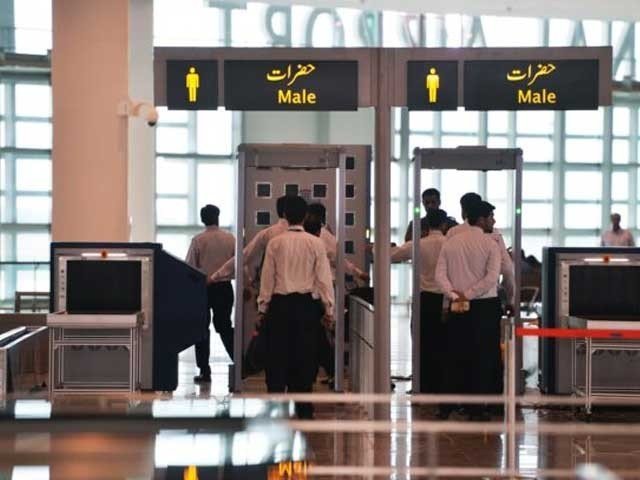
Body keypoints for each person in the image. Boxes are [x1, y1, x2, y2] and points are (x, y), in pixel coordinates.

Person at [258, 196, 334, 419]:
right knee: (304, 358)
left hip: (279, 306)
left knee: (277, 357)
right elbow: (323, 279)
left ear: (285, 215)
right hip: (306, 308)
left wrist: (263, 308)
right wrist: (328, 310)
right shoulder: (315, 243)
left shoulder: (275, 243)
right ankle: (303, 409)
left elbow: (267, 279)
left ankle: (275, 408)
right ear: (305, 216)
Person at [435, 201, 502, 421]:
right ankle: (476, 409)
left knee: (454, 355)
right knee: (482, 358)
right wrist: (470, 294)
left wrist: (455, 295)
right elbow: (492, 278)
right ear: (481, 219)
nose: (493, 221)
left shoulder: (451, 243)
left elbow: (439, 276)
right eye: (491, 217)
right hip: (484, 306)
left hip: (458, 305)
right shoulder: (491, 243)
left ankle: (446, 407)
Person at [391, 208, 448, 393]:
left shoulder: (418, 244)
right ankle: (440, 385)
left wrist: (377, 247)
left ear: (427, 224)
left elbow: (392, 255)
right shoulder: (450, 244)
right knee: (442, 343)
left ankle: (422, 384)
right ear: (444, 224)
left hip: (424, 299)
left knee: (421, 343)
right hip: (446, 299)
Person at [185, 204, 235, 383]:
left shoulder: (198, 240)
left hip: (203, 289)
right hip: (224, 288)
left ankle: (205, 371)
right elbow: (239, 264)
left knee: (202, 329)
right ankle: (239, 364)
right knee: (225, 327)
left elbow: (190, 267)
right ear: (218, 217)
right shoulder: (230, 239)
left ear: (202, 219)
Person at [447, 192, 515, 310]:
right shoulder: (493, 234)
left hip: (459, 298)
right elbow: (507, 268)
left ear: (464, 211)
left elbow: (446, 269)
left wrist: (446, 303)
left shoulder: (453, 233)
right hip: (487, 298)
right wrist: (510, 300)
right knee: (486, 322)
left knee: (460, 322)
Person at [209, 195, 291, 286]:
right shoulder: (303, 236)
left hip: (273, 286)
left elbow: (244, 256)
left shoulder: (268, 233)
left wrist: (216, 276)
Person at [307, 203, 370, 283]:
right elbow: (337, 258)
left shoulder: (304, 234)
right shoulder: (323, 234)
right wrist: (358, 273)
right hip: (325, 280)